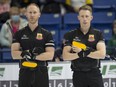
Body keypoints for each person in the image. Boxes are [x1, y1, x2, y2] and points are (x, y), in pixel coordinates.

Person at [11, 3, 55, 87]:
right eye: (30, 12)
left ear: (39, 14)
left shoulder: (46, 34)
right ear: (26, 14)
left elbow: (50, 55)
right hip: (25, 72)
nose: (32, 15)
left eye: (34, 12)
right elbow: (14, 54)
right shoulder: (18, 33)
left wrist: (32, 56)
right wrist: (25, 54)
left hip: (41, 72)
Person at [63, 5, 106, 87]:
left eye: (87, 16)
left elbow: (102, 54)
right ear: (78, 17)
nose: (84, 19)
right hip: (78, 74)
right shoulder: (70, 35)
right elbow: (65, 56)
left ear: (91, 17)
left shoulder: (98, 34)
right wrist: (79, 54)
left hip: (94, 73)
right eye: (82, 16)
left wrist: (84, 51)